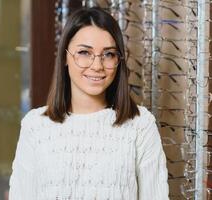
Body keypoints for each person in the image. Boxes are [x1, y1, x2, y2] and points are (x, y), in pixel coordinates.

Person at [9, 7, 169, 200]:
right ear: (65, 56)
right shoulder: (35, 126)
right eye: (84, 52)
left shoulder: (140, 125)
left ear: (118, 60)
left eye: (108, 54)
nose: (97, 66)